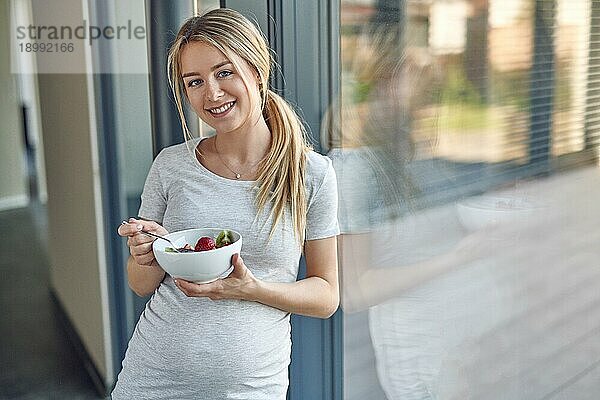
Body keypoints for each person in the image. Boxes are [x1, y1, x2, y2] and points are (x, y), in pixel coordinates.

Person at [112, 8, 339, 399]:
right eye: (195, 81)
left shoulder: (311, 174)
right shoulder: (171, 165)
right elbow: (139, 284)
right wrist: (147, 254)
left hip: (251, 387)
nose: (211, 94)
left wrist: (250, 288)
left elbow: (326, 296)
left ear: (257, 70)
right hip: (152, 377)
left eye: (224, 72)